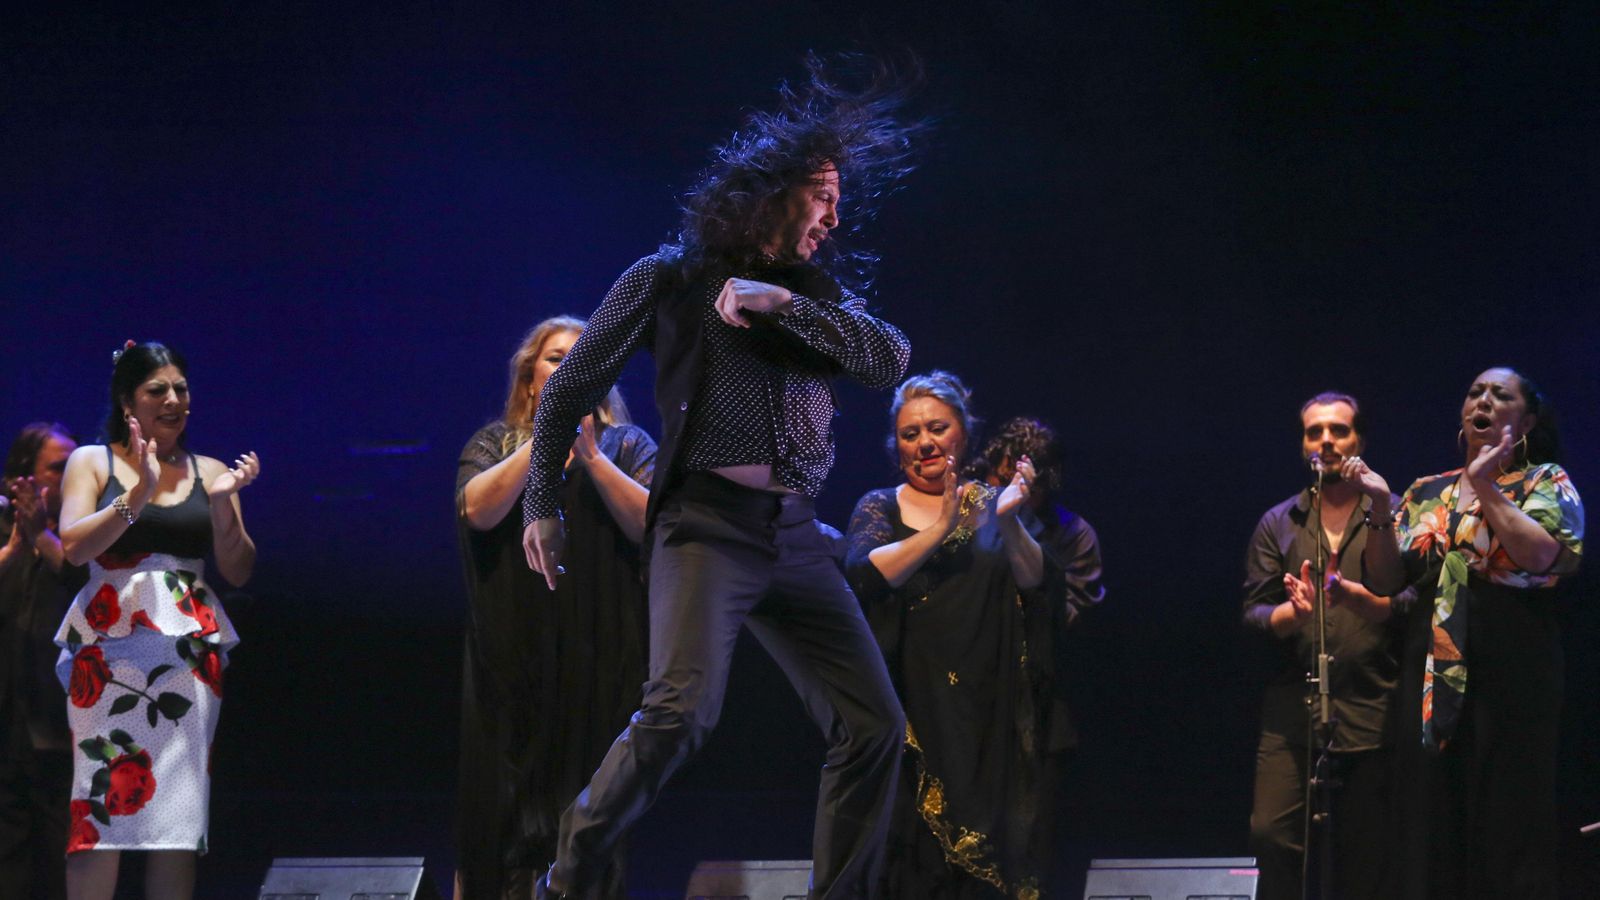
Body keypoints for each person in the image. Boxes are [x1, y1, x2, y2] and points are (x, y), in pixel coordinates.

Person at [519, 56, 923, 899]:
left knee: (875, 725)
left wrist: (786, 306)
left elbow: (889, 359)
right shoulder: (668, 277)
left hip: (796, 535)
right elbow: (568, 388)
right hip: (706, 526)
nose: (834, 215)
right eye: (824, 195)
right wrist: (543, 505)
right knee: (679, 714)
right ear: (775, 192)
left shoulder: (812, 291)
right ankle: (571, 874)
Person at [845, 376, 1098, 898]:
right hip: (914, 710)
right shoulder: (881, 505)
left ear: (963, 434)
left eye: (937, 428)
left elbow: (1041, 587)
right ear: (897, 447)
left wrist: (1009, 522)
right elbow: (865, 573)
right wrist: (941, 526)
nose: (925, 443)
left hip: (989, 711)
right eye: (910, 434)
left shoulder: (995, 503)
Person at [1349, 367, 1582, 899]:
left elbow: (1541, 555)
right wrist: (1381, 507)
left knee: (1507, 816)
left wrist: (1485, 484)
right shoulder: (1426, 490)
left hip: (1513, 665)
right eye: (1476, 392)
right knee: (1431, 815)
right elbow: (1384, 580)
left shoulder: (1544, 481)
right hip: (1432, 669)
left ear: (1526, 420)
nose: (1484, 401)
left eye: (1501, 395)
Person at [454, 316, 655, 900]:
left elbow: (652, 524)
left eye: (582, 356)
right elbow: (476, 511)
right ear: (529, 377)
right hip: (513, 652)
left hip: (601, 649)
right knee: (507, 804)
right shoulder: (495, 442)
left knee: (591, 797)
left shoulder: (628, 444)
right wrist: (547, 439)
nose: (569, 366)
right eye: (556, 358)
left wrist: (591, 457)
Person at [54, 342, 259, 900]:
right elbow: (74, 548)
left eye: (181, 389)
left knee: (178, 810)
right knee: (100, 801)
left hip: (187, 654)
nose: (173, 400)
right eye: (157, 390)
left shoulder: (209, 470)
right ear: (128, 401)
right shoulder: (91, 461)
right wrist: (140, 491)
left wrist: (224, 505)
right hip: (107, 652)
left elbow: (238, 570)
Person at [1240, 392, 1407, 900]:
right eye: (1315, 432)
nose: (1326, 441)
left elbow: (1412, 600)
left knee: (1366, 856)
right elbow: (1254, 615)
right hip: (1293, 715)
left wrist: (1362, 600)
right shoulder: (1278, 522)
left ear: (1360, 440)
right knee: (1271, 835)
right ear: (1303, 445)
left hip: (1372, 708)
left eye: (1339, 430)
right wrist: (1294, 615)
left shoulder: (1396, 510)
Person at [0, 422, 85, 899]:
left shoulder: (84, 537)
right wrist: (19, 544)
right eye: (58, 469)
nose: (71, 479)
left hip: (59, 727)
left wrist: (43, 537)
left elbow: (86, 587)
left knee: (61, 859)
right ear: (21, 480)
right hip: (6, 725)